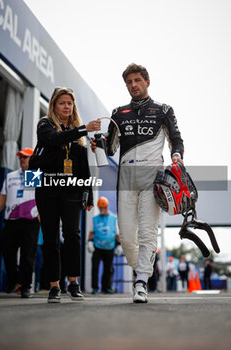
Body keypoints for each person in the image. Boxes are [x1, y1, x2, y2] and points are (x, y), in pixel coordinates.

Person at [91, 63, 184, 303]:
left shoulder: (163, 109)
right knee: (128, 236)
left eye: (137, 80)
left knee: (147, 232)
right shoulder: (118, 113)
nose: (133, 85)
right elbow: (110, 148)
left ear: (147, 82)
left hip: (153, 177)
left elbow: (176, 139)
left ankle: (141, 281)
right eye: (129, 82)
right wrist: (98, 145)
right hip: (126, 179)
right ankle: (141, 269)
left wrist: (176, 157)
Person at [34, 87, 101, 303]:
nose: (66, 107)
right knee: (51, 237)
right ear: (54, 105)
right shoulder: (45, 125)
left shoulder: (78, 136)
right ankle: (54, 285)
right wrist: (82, 129)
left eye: (70, 103)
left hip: (72, 191)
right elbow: (54, 140)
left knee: (72, 235)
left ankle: (73, 282)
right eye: (62, 103)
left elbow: (84, 168)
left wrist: (89, 195)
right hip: (46, 190)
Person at [0, 147, 40, 298]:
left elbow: (42, 199)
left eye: (26, 157)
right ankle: (14, 279)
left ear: (32, 159)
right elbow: (2, 197)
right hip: (11, 221)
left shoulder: (35, 175)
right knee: (6, 249)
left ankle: (26, 287)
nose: (22, 159)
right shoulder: (10, 176)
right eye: (21, 157)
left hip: (30, 221)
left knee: (28, 255)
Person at [87, 196, 122, 294]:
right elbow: (91, 232)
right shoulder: (95, 219)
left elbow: (117, 233)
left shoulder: (114, 218)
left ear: (107, 207)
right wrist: (89, 242)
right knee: (95, 268)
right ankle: (94, 287)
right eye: (100, 208)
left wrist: (119, 245)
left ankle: (106, 287)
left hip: (109, 247)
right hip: (97, 247)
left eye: (103, 207)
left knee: (108, 269)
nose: (102, 209)